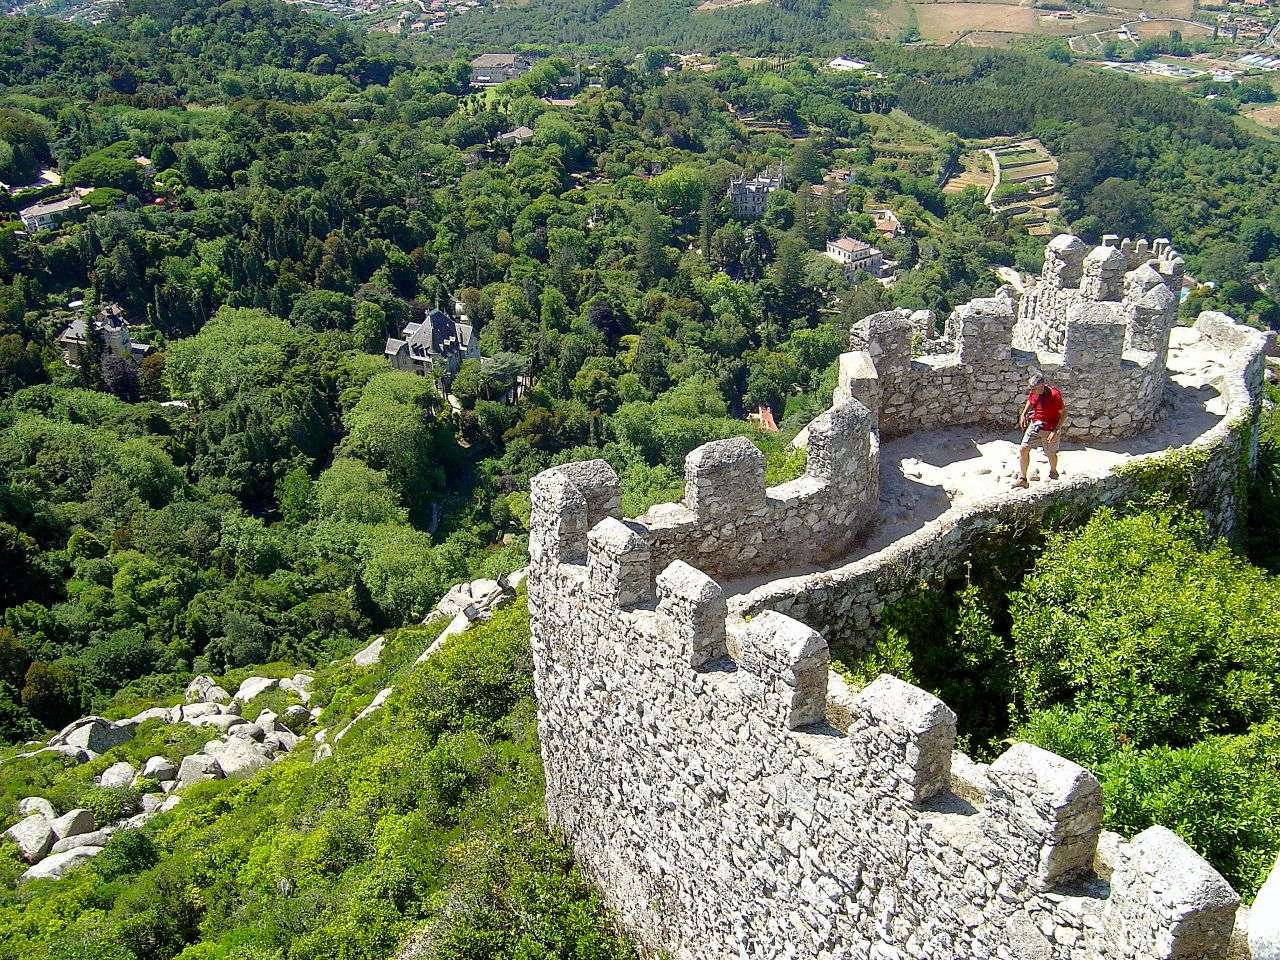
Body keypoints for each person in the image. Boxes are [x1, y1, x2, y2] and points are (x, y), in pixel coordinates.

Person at [1016, 372, 1065, 489]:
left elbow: (1063, 413)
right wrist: (1024, 414)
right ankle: (1023, 478)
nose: (1032, 391)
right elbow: (1031, 401)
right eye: (1031, 389)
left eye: (1034, 388)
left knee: (1051, 454)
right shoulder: (1034, 392)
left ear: (1042, 385)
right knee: (1023, 449)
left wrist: (1055, 431)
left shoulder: (1054, 395)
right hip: (1035, 425)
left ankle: (1053, 472)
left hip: (1050, 428)